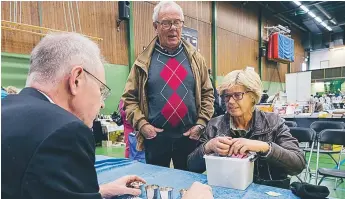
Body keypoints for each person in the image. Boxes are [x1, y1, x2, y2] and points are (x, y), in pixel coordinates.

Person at [1, 32, 213, 199]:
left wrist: (97, 192)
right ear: (76, 79)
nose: (102, 103)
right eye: (101, 90)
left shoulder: (7, 109)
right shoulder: (65, 132)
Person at [122, 1, 214, 170]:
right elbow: (129, 98)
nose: (173, 28)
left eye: (177, 22)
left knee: (188, 184)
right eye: (166, 23)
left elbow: (208, 93)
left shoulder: (196, 59)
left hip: (189, 137)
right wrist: (142, 125)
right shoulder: (143, 61)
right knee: (158, 184)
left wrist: (201, 123)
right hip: (156, 139)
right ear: (155, 26)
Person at [187, 68, 305, 189]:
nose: (230, 101)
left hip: (267, 192)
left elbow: (298, 164)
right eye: (227, 96)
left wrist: (264, 147)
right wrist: (208, 147)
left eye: (237, 95)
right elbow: (191, 166)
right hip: (227, 190)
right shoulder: (214, 126)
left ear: (253, 96)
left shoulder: (273, 123)